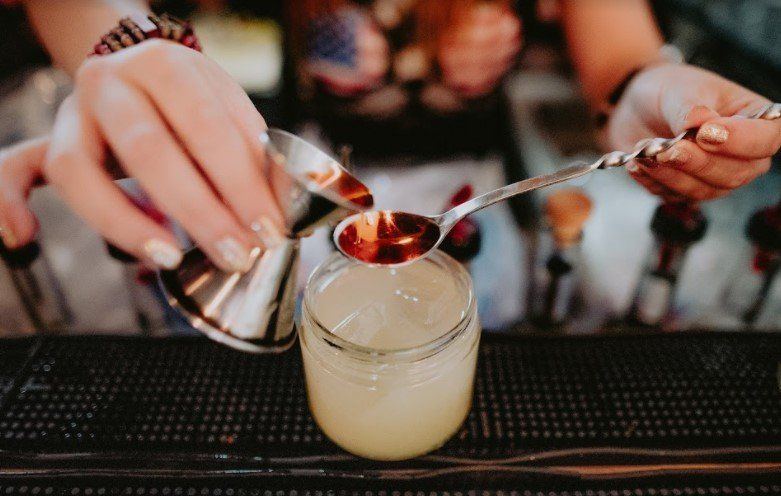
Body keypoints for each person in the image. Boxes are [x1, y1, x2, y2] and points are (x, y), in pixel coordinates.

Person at [0, 0, 779, 276]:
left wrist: (649, 92)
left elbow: (619, 60)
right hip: (314, 179)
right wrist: (126, 51)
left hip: (477, 187)